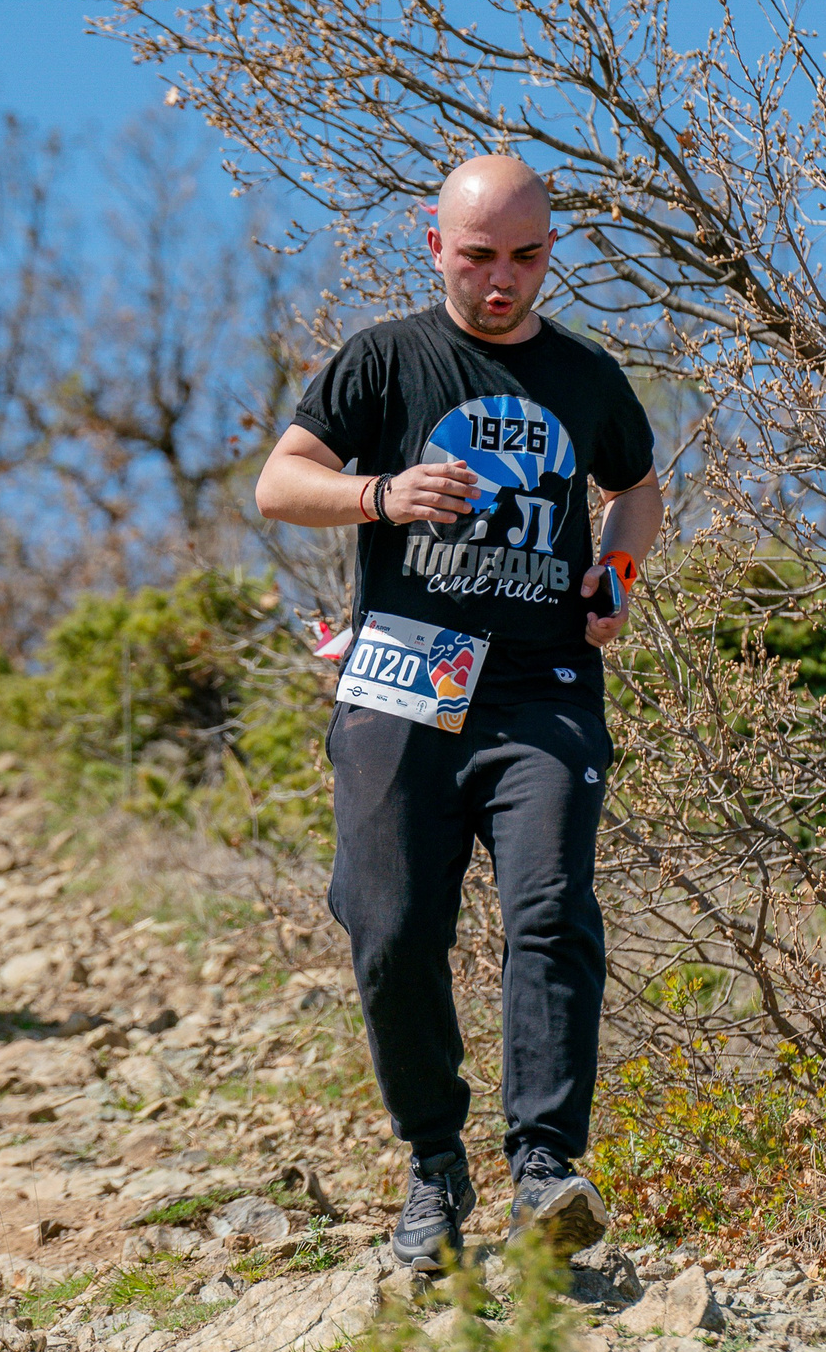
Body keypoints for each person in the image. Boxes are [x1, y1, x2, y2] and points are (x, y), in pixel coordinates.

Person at [254, 156, 665, 1270]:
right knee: (389, 935)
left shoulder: (583, 375)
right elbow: (279, 484)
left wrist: (616, 568)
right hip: (407, 678)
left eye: (524, 258)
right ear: (433, 245)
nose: (500, 281)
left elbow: (634, 484)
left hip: (541, 687)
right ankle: (435, 1167)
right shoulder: (384, 360)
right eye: (477, 256)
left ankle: (545, 1170)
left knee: (548, 908)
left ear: (548, 253)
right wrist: (380, 495)